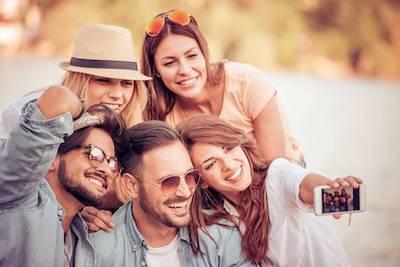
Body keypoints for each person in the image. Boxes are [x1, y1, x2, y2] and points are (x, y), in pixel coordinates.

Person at [177, 114, 363, 266]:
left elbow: (302, 182)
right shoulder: (220, 215)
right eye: (211, 164)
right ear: (201, 181)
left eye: (228, 148)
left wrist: (331, 188)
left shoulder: (276, 176)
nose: (229, 165)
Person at [141, 9, 304, 166]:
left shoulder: (247, 82)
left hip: (284, 176)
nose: (185, 70)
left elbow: (276, 167)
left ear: (204, 53)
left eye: (192, 56)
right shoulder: (158, 113)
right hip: (224, 191)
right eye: (169, 63)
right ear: (156, 71)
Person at [89, 120, 255, 267]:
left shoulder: (221, 234)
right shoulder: (97, 250)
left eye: (190, 177)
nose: (185, 191)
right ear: (132, 186)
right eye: (169, 181)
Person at [0, 86, 125, 266]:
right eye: (95, 155)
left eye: (111, 163)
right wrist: (85, 114)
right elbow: (58, 98)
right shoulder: (18, 194)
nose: (106, 169)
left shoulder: (81, 235)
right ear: (52, 157)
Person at [0, 23, 151, 140]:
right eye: (104, 81)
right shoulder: (24, 114)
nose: (117, 94)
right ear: (79, 81)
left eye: (127, 83)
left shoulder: (129, 132)